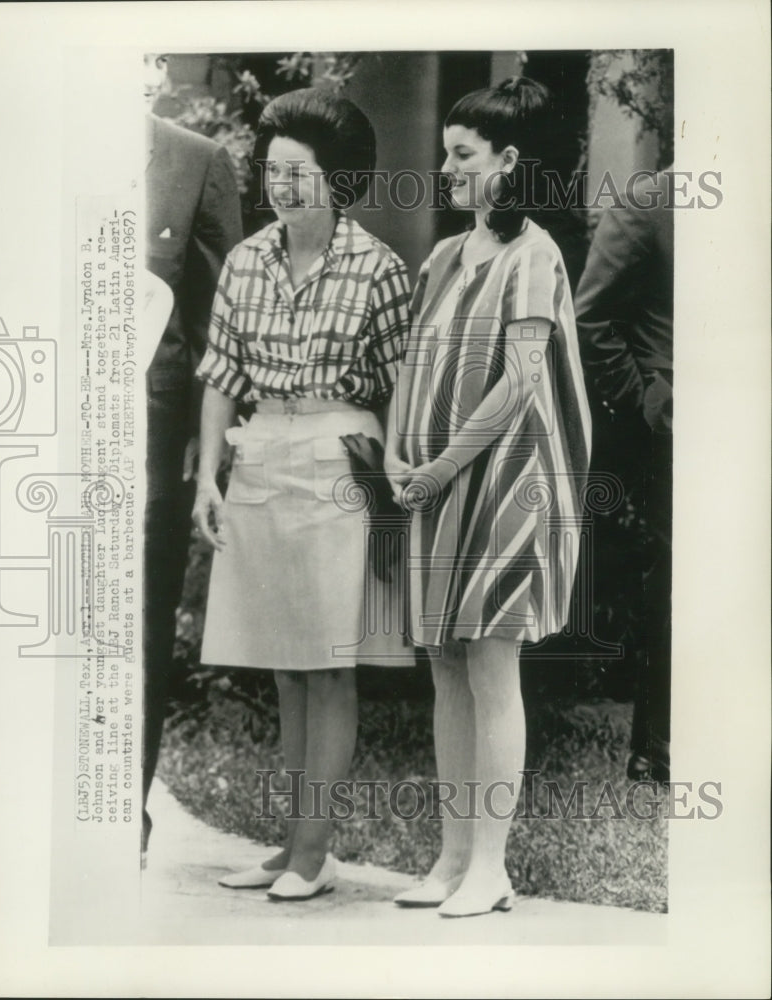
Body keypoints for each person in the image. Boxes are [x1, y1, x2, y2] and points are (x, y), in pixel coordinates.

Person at [192, 88, 411, 900]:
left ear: (336, 178)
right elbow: (220, 373)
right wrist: (208, 475)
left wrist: (394, 488)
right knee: (282, 666)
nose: (281, 185)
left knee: (327, 665)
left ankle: (314, 854)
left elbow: (398, 389)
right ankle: (285, 847)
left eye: (299, 171)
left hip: (337, 458)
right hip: (259, 457)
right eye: (272, 169)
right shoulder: (247, 259)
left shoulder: (378, 268)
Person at [386, 77, 592, 917]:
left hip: (504, 486)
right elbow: (412, 369)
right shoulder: (443, 256)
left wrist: (437, 469)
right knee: (444, 665)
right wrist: (402, 453)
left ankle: (491, 865)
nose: (444, 168)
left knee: (489, 662)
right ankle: (450, 856)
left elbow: (517, 385)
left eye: (461, 155)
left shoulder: (532, 255)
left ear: (508, 162)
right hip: (434, 483)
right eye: (444, 152)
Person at [143, 53, 243, 857]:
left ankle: (121, 806)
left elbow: (220, 330)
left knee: (141, 617)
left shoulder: (193, 159)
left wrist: (202, 454)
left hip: (149, 446)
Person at [575, 167, 673, 784]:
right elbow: (592, 318)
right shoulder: (651, 200)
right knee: (681, 579)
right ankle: (658, 750)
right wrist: (647, 402)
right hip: (680, 431)